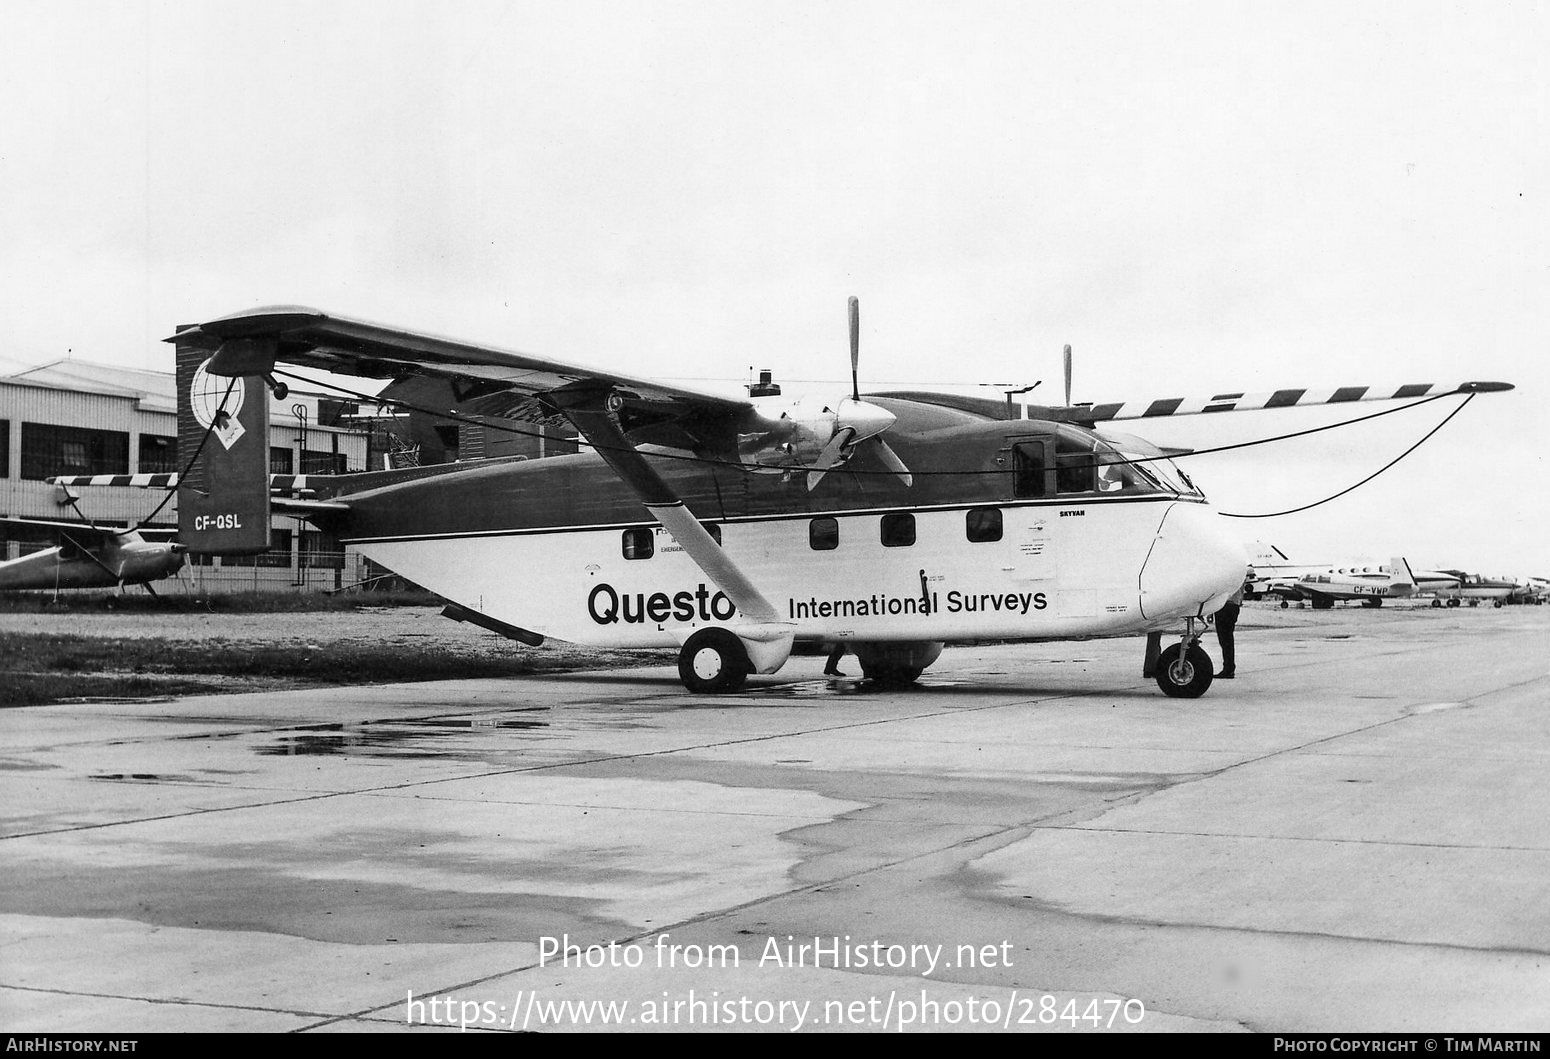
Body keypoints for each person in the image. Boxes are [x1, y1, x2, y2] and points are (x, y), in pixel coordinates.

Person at [1215, 579, 1245, 679]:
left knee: (1225, 640)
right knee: (1227, 639)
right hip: (1234, 605)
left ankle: (1228, 669)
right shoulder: (1240, 573)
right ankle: (1229, 668)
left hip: (1225, 606)